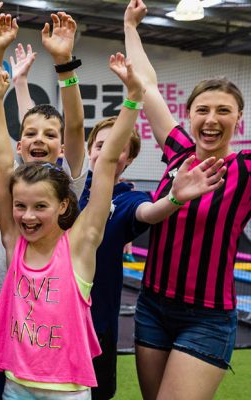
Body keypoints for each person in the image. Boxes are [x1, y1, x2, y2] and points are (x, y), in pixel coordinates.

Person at [0, 51, 144, 399]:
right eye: (21, 206)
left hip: (66, 391)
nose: (27, 216)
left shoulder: (81, 244)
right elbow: (0, 163)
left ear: (65, 204)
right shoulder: (14, 242)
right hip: (16, 386)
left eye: (40, 207)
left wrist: (133, 99)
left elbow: (107, 160)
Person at [124, 1, 251, 399]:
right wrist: (130, 26)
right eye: (203, 110)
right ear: (189, 115)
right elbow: (146, 86)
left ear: (238, 119)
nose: (211, 119)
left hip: (209, 316)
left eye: (223, 111)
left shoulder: (245, 169)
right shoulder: (177, 150)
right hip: (152, 307)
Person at [0, 12, 89, 399]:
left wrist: (63, 64)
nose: (40, 140)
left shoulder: (66, 182)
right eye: (30, 133)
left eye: (50, 135)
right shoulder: (12, 184)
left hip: (48, 313)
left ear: (60, 146)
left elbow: (75, 127)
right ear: (20, 143)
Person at [81, 116, 227, 400]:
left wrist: (175, 198)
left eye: (117, 147)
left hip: (96, 325)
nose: (108, 152)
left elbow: (148, 212)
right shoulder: (69, 189)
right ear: (89, 151)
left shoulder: (127, 199)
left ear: (130, 157)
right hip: (55, 317)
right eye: (101, 145)